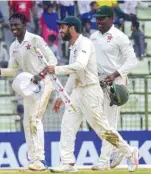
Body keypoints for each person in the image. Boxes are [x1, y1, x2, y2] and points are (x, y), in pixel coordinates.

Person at [40, 16, 138, 173]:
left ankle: (129, 152)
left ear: (72, 28)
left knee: (102, 129)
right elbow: (74, 74)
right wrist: (62, 95)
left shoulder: (84, 43)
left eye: (63, 28)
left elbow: (79, 65)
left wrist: (56, 69)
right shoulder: (73, 47)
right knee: (67, 125)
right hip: (78, 92)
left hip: (91, 91)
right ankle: (68, 163)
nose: (60, 31)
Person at [0, 13, 57, 171]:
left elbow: (52, 60)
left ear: (25, 25)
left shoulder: (35, 39)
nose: (14, 28)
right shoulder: (13, 46)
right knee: (26, 122)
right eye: (12, 25)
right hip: (30, 86)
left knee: (35, 119)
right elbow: (11, 71)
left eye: (17, 24)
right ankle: (33, 160)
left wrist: (41, 74)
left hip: (44, 82)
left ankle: (40, 160)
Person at [90, 6, 138, 170]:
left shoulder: (120, 37)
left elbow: (132, 61)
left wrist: (115, 74)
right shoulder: (93, 37)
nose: (98, 21)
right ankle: (125, 150)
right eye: (97, 18)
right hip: (97, 83)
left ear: (112, 18)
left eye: (102, 18)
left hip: (115, 84)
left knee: (108, 123)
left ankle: (104, 161)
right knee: (98, 122)